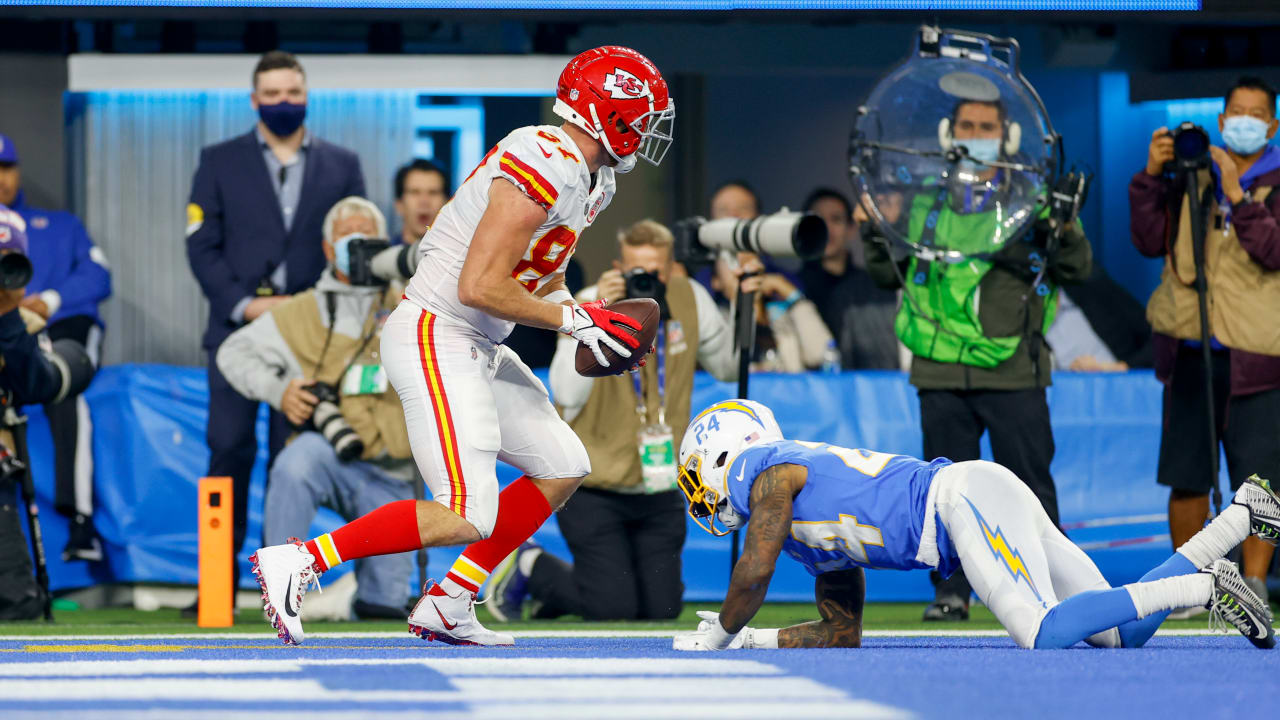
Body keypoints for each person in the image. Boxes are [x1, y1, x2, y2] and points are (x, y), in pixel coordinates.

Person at [250, 45, 675, 646]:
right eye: (644, 115)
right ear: (607, 110)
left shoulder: (591, 179)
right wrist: (574, 322)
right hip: (438, 329)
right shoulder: (544, 158)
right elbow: (478, 286)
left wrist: (582, 312)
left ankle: (450, 602)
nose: (649, 130)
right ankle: (300, 561)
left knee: (564, 465)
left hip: (476, 338)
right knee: (467, 511)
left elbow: (537, 275)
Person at [670, 399, 1277, 651]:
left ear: (722, 454)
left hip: (961, 500)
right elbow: (843, 630)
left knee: (1043, 635)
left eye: (700, 472)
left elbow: (752, 572)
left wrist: (720, 636)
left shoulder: (762, 470)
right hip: (976, 495)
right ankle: (1240, 517)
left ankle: (1208, 588)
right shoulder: (799, 519)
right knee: (1123, 634)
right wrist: (756, 639)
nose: (704, 492)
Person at [865, 98, 1093, 621]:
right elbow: (885, 274)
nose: (975, 134)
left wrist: (1065, 225)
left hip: (1016, 368)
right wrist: (876, 226)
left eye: (986, 126)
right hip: (940, 368)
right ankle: (951, 592)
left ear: (1007, 135)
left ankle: (1051, 593)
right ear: (949, 131)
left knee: (1031, 487)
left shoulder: (1033, 199)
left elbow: (1077, 268)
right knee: (945, 490)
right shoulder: (925, 200)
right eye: (966, 124)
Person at [185, 50, 366, 614]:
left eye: (293, 92)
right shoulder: (218, 160)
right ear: (254, 99)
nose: (284, 102)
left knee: (291, 464)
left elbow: (352, 249)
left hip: (312, 341)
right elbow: (200, 245)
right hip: (238, 335)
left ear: (306, 95)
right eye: (273, 94)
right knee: (228, 452)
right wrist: (245, 306)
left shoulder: (342, 163)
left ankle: (281, 589)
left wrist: (310, 312)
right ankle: (214, 591)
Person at [485, 219, 737, 622]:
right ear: (618, 266)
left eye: (654, 272)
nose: (644, 279)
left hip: (659, 486)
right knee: (612, 609)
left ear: (673, 269)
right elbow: (568, 393)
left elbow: (729, 368)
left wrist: (741, 297)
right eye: (634, 270)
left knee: (662, 611)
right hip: (594, 487)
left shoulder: (691, 299)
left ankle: (556, 585)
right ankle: (531, 568)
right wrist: (593, 322)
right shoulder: (586, 300)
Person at [217, 197, 415, 620]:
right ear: (328, 249)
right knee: (296, 460)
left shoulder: (413, 297)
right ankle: (281, 584)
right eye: (348, 238)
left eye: (369, 237)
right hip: (334, 457)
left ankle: (359, 595)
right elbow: (232, 353)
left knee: (383, 605)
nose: (359, 246)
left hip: (395, 476)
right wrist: (278, 390)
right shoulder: (301, 311)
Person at [1129, 76, 1280, 609]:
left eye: (1255, 113)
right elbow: (1147, 240)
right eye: (1235, 112)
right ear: (1220, 122)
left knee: (1260, 480)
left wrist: (1239, 195)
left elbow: (1275, 251)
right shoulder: (1187, 176)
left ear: (1272, 124)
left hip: (1259, 353)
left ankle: (1255, 581)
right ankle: (1189, 588)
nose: (1243, 120)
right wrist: (1152, 176)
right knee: (1187, 474)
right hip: (1191, 345)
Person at [0, 134, 112, 561]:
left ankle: (80, 522)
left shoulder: (60, 225)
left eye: (7, 167)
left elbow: (99, 276)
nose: (2, 178)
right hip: (6, 336)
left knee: (65, 393)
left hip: (59, 332)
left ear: (19, 170)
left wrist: (49, 300)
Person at [799, 188, 900, 370]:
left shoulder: (876, 289)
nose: (826, 228)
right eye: (817, 220)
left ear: (851, 228)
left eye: (836, 219)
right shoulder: (792, 286)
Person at [393, 158, 449, 247]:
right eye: (415, 192)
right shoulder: (382, 257)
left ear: (446, 203)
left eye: (433, 192)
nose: (424, 201)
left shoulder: (463, 257)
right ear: (399, 204)